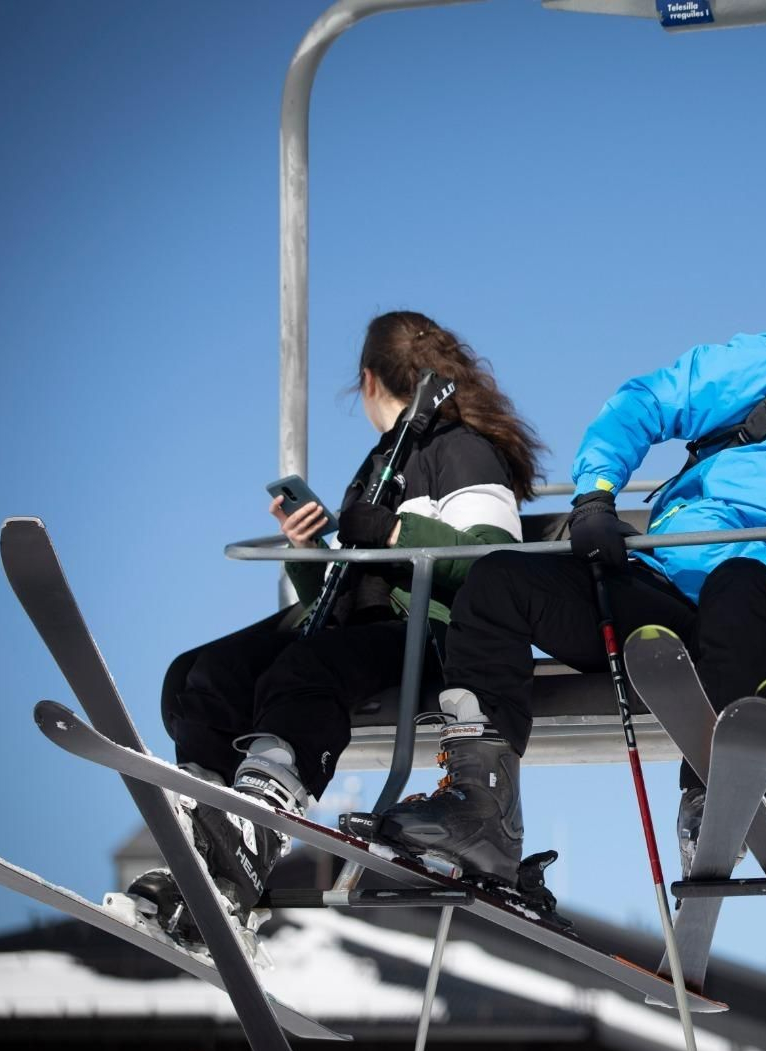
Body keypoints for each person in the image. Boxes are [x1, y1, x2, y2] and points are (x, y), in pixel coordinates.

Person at [374, 250, 766, 879]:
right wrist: (596, 495)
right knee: (500, 582)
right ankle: (481, 807)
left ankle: (708, 791)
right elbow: (649, 401)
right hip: (661, 594)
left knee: (740, 580)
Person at [128, 310, 543, 940]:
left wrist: (396, 532)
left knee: (306, 669)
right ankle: (207, 842)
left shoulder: (460, 452)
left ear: (370, 380)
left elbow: (493, 564)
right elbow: (343, 595)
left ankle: (257, 825)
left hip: (427, 634)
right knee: (201, 674)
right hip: (364, 628)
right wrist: (312, 551)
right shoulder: (384, 460)